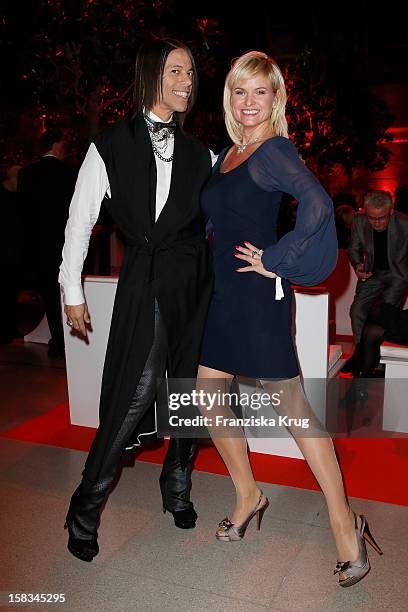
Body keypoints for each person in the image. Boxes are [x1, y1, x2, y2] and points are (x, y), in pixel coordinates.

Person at [196, 51, 382, 587]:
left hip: (258, 296)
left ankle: (346, 525)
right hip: (224, 297)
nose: (248, 102)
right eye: (239, 91)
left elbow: (319, 206)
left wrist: (276, 258)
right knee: (208, 392)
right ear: (229, 97)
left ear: (276, 100)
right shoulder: (230, 154)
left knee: (295, 410)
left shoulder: (274, 150)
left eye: (260, 92)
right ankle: (248, 493)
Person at [59, 39, 214, 562]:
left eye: (191, 73)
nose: (186, 81)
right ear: (152, 75)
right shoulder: (109, 145)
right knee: (137, 387)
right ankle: (87, 503)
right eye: (176, 71)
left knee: (186, 390)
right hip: (144, 283)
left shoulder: (202, 154)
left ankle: (177, 484)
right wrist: (72, 288)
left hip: (194, 285)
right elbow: (80, 221)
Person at [17, 128, 76, 357]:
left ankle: (58, 339)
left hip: (39, 244)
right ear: (56, 146)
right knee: (69, 289)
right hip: (66, 242)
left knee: (50, 294)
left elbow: (24, 212)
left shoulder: (26, 174)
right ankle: (72, 339)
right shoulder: (69, 172)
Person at [342, 190, 408, 373]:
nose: (376, 223)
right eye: (372, 218)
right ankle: (363, 356)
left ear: (391, 211)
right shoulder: (358, 220)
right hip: (372, 273)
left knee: (380, 316)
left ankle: (371, 363)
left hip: (398, 276)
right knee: (357, 311)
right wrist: (357, 266)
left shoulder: (405, 224)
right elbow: (353, 248)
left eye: (382, 218)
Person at [0, 164, 23, 342]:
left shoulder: (18, 198)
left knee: (11, 294)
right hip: (4, 255)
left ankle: (9, 329)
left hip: (14, 254)